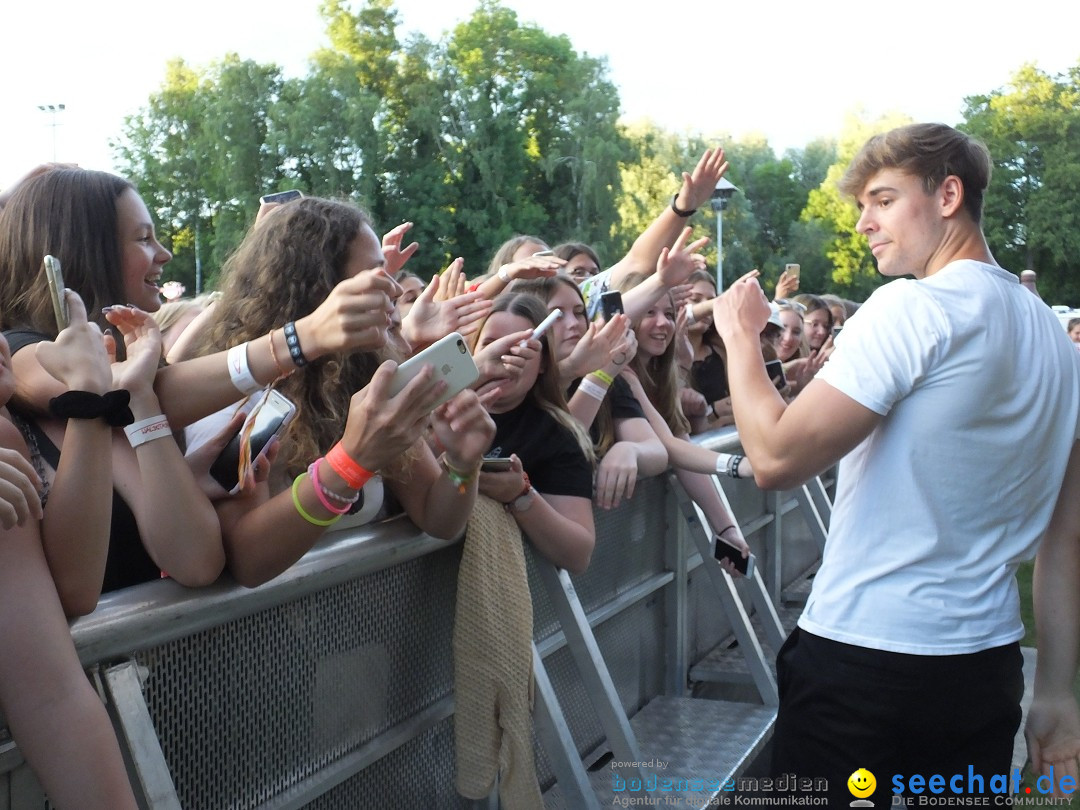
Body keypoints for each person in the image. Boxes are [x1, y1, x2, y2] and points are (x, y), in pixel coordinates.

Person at [714, 123, 1080, 804]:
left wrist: (739, 337)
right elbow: (1068, 542)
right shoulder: (1061, 348)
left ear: (948, 195)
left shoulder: (915, 308)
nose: (863, 224)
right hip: (984, 668)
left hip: (865, 665)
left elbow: (773, 457)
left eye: (882, 200)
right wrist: (1056, 693)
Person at [186, 197, 495, 587]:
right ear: (319, 290)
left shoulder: (368, 373)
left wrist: (463, 466)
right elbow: (248, 561)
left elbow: (438, 517)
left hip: (368, 635)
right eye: (375, 275)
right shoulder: (237, 395)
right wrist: (352, 461)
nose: (396, 289)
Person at [471, 293, 596, 573]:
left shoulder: (557, 434)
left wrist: (521, 495)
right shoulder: (437, 412)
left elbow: (579, 553)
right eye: (491, 344)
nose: (505, 356)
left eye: (521, 347)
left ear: (542, 364)